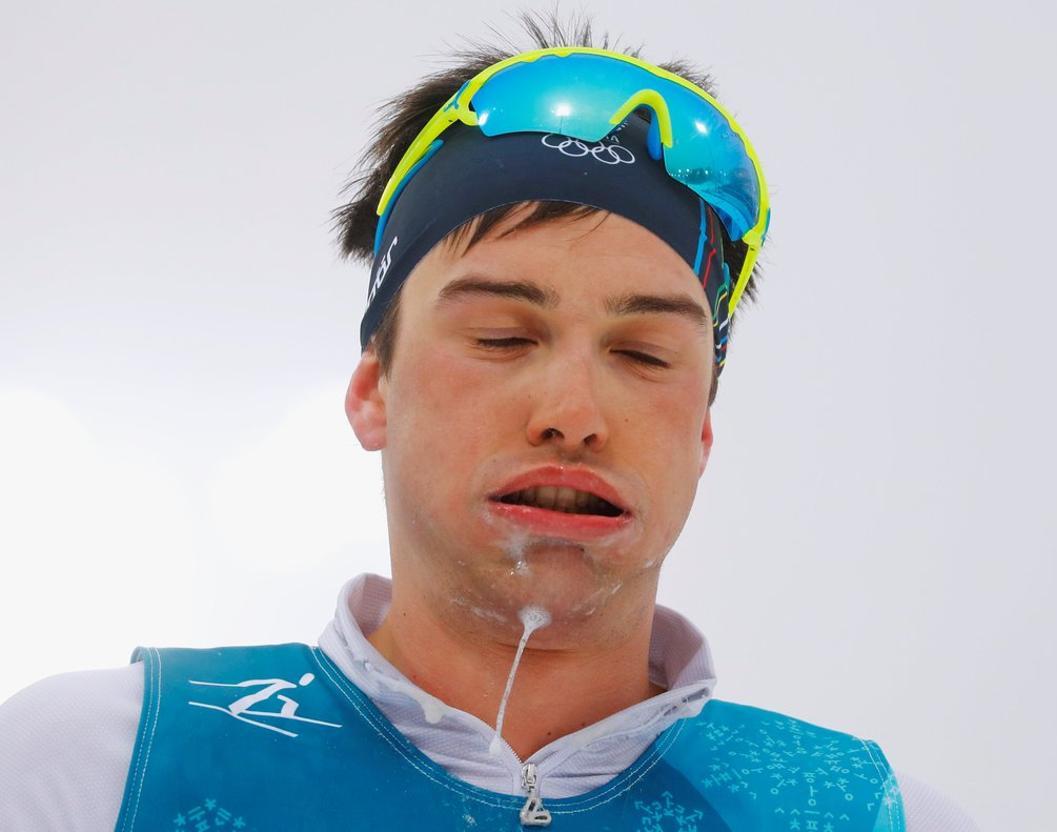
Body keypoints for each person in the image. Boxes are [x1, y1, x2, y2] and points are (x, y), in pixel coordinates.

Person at [0, 12, 979, 831]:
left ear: (703, 437)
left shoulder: (872, 815)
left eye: (644, 356)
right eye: (504, 337)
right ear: (372, 390)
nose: (574, 415)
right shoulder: (101, 769)